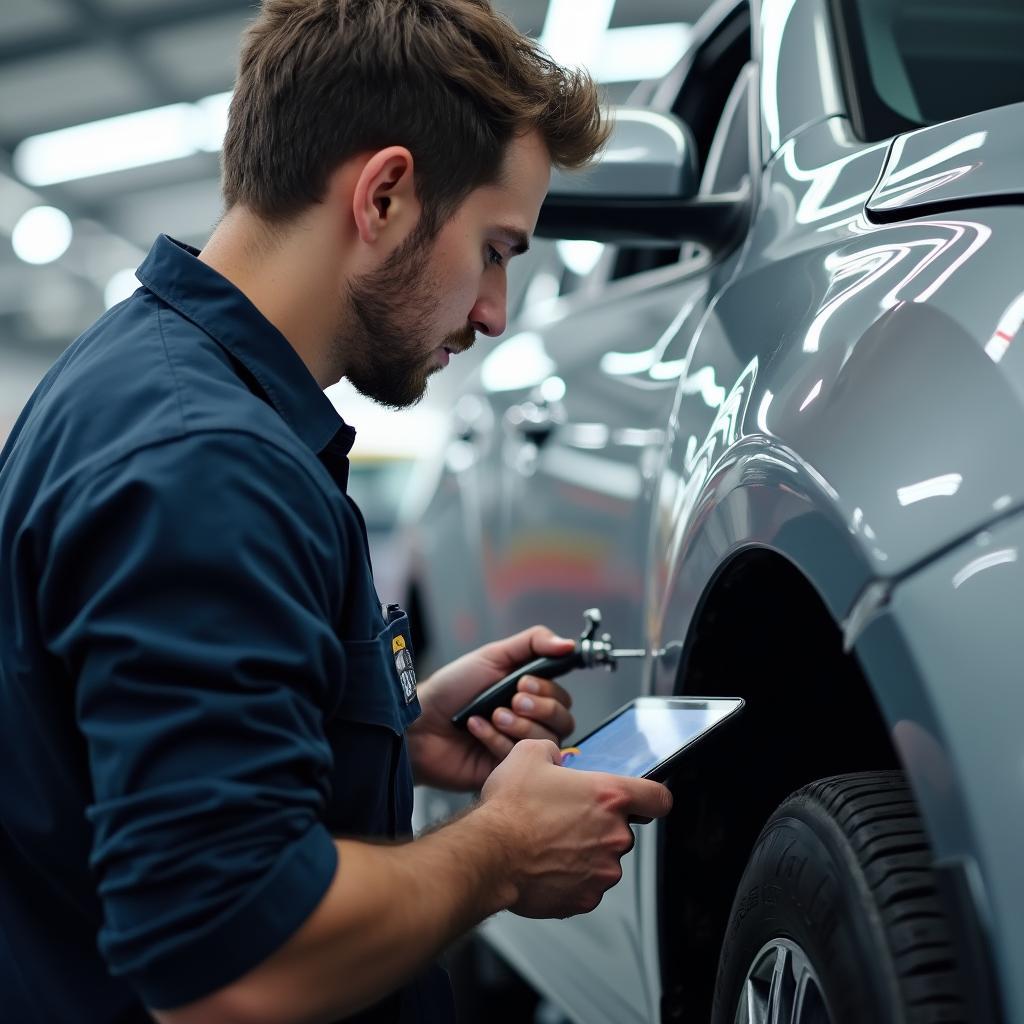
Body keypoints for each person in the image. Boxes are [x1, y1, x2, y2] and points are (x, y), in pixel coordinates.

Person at [0, 1, 673, 1022]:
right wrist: (500, 851)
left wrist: (386, 734)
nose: (494, 312)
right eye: (495, 249)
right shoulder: (205, 464)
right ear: (387, 195)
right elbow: (232, 967)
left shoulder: (156, 384)